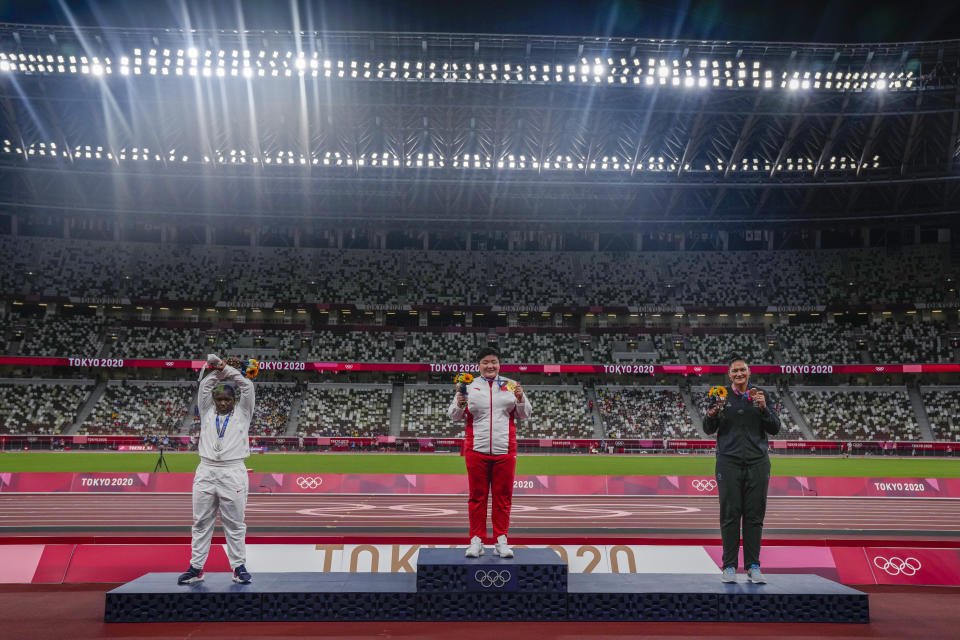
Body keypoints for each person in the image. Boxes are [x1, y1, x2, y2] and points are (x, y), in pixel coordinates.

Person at [448, 347, 533, 558]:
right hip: (476, 449)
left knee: (503, 497)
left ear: (499, 364)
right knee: (477, 496)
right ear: (479, 366)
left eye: (493, 362)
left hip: (505, 449)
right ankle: (476, 540)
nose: (490, 366)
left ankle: (501, 540)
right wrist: (459, 404)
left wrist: (521, 398)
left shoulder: (511, 385)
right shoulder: (468, 386)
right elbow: (453, 416)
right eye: (485, 362)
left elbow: (526, 414)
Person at [177, 354, 255, 585]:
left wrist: (226, 368)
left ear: (234, 400)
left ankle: (238, 566)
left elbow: (247, 385)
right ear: (213, 400)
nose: (222, 403)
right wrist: (218, 369)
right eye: (219, 399)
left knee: (235, 523)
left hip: (232, 471)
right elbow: (205, 384)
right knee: (201, 522)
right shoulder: (206, 411)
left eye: (227, 400)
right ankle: (196, 567)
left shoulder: (243, 413)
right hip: (206, 470)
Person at [704, 356, 780, 584]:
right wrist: (713, 411)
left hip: (758, 462)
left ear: (749, 372)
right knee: (729, 515)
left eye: (742, 370)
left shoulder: (760, 396)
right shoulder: (720, 396)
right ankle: (728, 567)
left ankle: (753, 566)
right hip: (728, 463)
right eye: (735, 371)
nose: (739, 374)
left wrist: (765, 408)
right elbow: (708, 428)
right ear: (729, 375)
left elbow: (775, 428)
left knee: (754, 517)